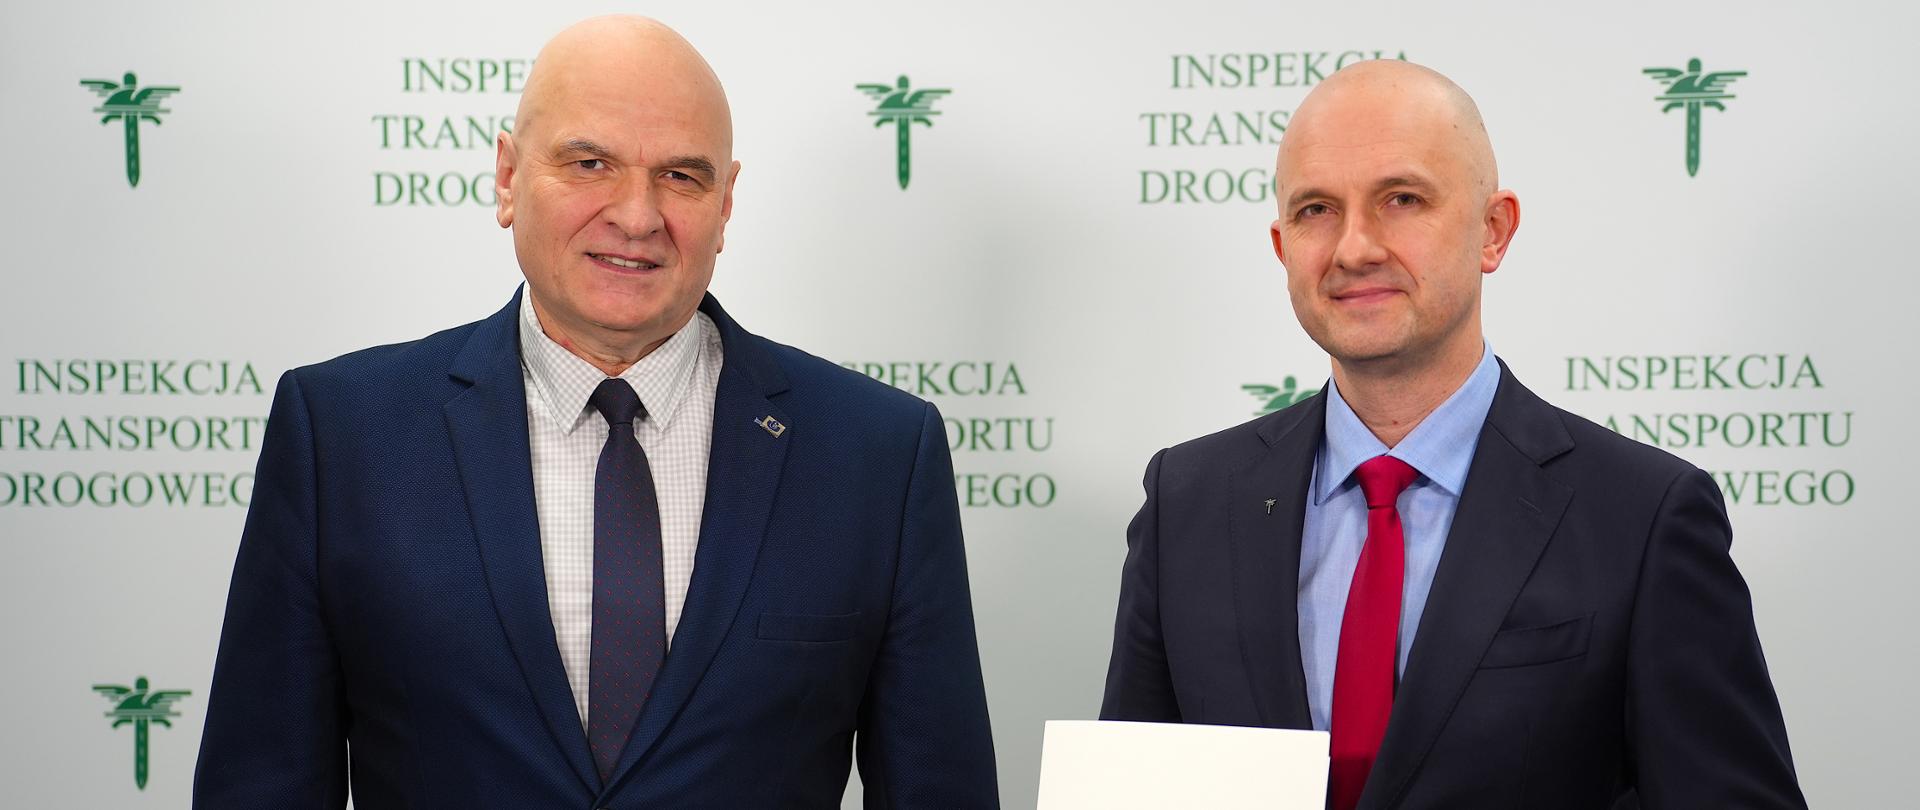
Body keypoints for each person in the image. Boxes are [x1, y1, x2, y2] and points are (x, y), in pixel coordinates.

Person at [194, 16, 997, 808]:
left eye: (681, 176)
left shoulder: (878, 454)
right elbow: (260, 785)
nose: (637, 216)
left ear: (725, 205)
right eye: (590, 164)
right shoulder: (342, 435)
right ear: (508, 177)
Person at [1099, 60, 1804, 809]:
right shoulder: (1188, 502)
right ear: (1282, 246)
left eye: (1402, 199)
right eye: (1316, 210)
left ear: (1492, 231)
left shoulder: (1643, 515)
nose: (1354, 249)